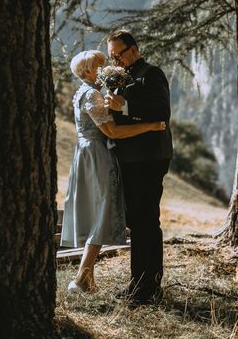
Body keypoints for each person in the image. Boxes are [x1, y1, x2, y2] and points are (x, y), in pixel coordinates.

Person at [61, 50, 166, 293]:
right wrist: (150, 126)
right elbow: (113, 132)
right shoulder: (92, 95)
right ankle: (80, 278)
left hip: (87, 153)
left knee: (99, 212)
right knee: (102, 212)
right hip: (97, 156)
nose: (106, 68)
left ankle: (86, 278)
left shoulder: (83, 92)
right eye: (100, 65)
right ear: (88, 71)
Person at [105, 30, 173, 305]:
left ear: (133, 49)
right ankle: (138, 284)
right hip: (131, 158)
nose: (115, 60)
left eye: (118, 54)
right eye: (112, 56)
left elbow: (162, 111)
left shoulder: (151, 73)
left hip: (150, 157)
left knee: (147, 221)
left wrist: (126, 105)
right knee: (138, 222)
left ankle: (150, 287)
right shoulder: (119, 77)